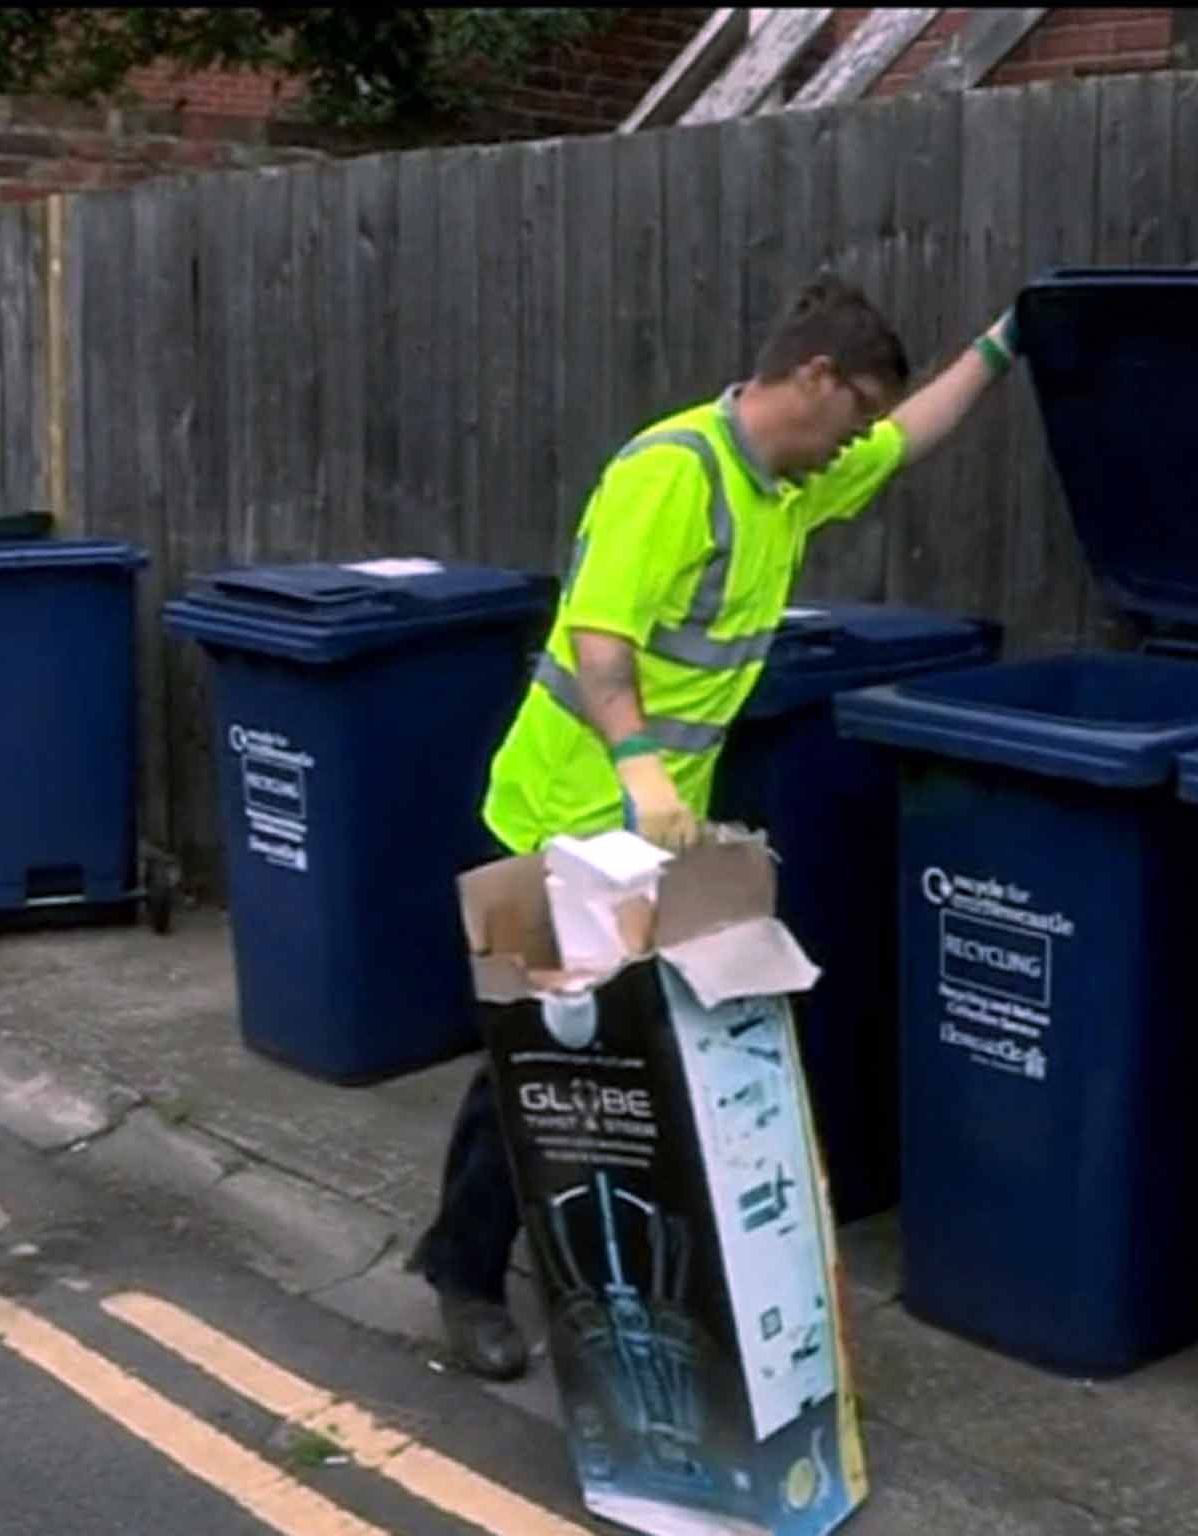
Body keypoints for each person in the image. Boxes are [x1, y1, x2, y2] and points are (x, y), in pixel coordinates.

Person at [408, 273, 1026, 1379]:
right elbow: (601, 638)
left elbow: (909, 437)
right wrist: (641, 769)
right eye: (856, 415)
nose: (860, 444)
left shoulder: (787, 485)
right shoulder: (672, 473)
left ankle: (574, 1267)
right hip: (557, 818)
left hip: (649, 835)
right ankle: (460, 1275)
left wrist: (999, 345)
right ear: (812, 379)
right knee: (536, 1063)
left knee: (605, 1064)